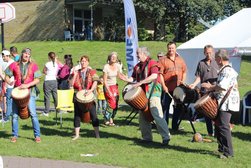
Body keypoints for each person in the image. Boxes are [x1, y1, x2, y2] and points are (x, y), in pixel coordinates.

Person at [125, 47, 170, 145]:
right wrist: (124, 78)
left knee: (157, 114)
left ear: (144, 54)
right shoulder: (137, 66)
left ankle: (166, 137)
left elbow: (154, 76)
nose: (136, 55)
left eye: (138, 53)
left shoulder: (152, 63)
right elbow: (132, 78)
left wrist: (140, 82)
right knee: (143, 116)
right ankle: (147, 138)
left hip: (154, 91)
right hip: (143, 93)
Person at [201, 49, 240, 159]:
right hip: (224, 102)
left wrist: (210, 87)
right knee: (219, 125)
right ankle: (222, 148)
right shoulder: (226, 70)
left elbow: (222, 86)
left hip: (227, 103)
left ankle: (228, 153)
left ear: (220, 59)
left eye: (217, 58)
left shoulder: (227, 71)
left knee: (223, 126)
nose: (216, 60)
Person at [4, 48, 42, 143]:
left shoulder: (34, 65)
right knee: (15, 115)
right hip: (16, 93)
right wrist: (9, 81)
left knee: (33, 114)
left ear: (30, 56)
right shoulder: (14, 64)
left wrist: (27, 85)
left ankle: (37, 136)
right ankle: (14, 135)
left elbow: (38, 79)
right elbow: (6, 75)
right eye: (25, 53)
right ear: (22, 54)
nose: (27, 55)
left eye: (28, 54)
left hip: (30, 92)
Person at [189, 45, 219, 136]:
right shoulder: (201, 63)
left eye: (210, 52)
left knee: (217, 113)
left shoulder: (217, 62)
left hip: (216, 91)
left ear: (213, 52)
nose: (208, 54)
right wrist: (194, 84)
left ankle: (218, 132)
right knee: (207, 113)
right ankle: (210, 132)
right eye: (207, 52)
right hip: (205, 92)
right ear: (204, 52)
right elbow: (199, 77)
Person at [159, 41, 187, 131]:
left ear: (175, 49)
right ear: (167, 49)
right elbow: (160, 74)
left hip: (178, 88)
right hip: (167, 88)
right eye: (169, 48)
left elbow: (185, 71)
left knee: (178, 107)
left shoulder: (180, 59)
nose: (171, 50)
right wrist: (164, 86)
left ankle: (175, 126)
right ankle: (165, 126)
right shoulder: (163, 60)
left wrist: (183, 81)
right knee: (165, 107)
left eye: (172, 48)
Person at [71, 55, 100, 140]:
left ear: (88, 62)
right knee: (77, 116)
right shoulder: (76, 72)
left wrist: (91, 90)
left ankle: (97, 134)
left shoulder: (92, 71)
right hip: (78, 97)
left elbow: (95, 81)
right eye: (82, 61)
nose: (83, 63)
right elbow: (71, 84)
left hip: (89, 96)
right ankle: (77, 135)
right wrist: (74, 75)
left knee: (94, 115)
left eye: (85, 61)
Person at [103, 52, 127, 126]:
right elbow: (104, 80)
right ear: (109, 57)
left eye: (115, 57)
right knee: (112, 102)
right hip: (108, 86)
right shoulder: (106, 67)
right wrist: (109, 91)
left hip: (115, 87)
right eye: (112, 56)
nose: (114, 58)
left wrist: (127, 79)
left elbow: (119, 75)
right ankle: (106, 118)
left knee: (116, 104)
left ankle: (111, 119)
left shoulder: (117, 66)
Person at [42, 52, 59, 117]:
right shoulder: (56, 64)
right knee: (55, 96)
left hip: (48, 80)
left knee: (47, 96)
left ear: (49, 57)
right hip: (54, 80)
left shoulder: (47, 63)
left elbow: (44, 71)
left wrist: (47, 73)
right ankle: (58, 109)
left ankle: (46, 111)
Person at [0, 50, 14, 123]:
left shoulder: (12, 63)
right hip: (6, 83)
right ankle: (10, 115)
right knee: (9, 100)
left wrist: (6, 83)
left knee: (9, 100)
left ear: (7, 56)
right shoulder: (5, 63)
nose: (2, 58)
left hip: (11, 84)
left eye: (3, 56)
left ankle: (7, 117)